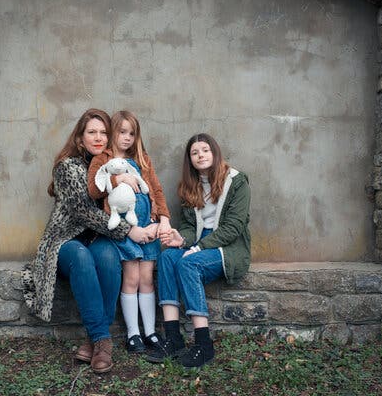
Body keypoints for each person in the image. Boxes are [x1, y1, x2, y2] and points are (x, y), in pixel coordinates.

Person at [22, 108, 154, 374]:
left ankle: (92, 339)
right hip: (65, 241)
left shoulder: (108, 165)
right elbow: (85, 212)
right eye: (92, 132)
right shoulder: (67, 167)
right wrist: (129, 231)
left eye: (104, 132)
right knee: (82, 257)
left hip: (98, 237)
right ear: (80, 138)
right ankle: (103, 341)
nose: (99, 137)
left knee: (107, 258)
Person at [145, 133, 251, 368]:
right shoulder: (188, 187)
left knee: (188, 263)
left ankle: (204, 344)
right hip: (199, 243)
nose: (200, 155)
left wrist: (199, 247)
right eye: (195, 152)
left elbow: (234, 227)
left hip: (227, 247)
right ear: (189, 159)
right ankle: (173, 338)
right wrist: (181, 239)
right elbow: (191, 227)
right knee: (167, 257)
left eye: (205, 150)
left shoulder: (237, 181)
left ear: (214, 153)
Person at [87, 111, 171, 353]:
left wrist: (163, 220)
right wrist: (118, 178)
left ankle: (151, 332)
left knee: (147, 280)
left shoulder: (143, 159)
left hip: (149, 227)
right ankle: (133, 334)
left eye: (132, 134)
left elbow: (156, 189)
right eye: (122, 132)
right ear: (113, 133)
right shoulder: (103, 160)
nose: (127, 138)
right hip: (127, 231)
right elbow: (94, 189)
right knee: (132, 279)